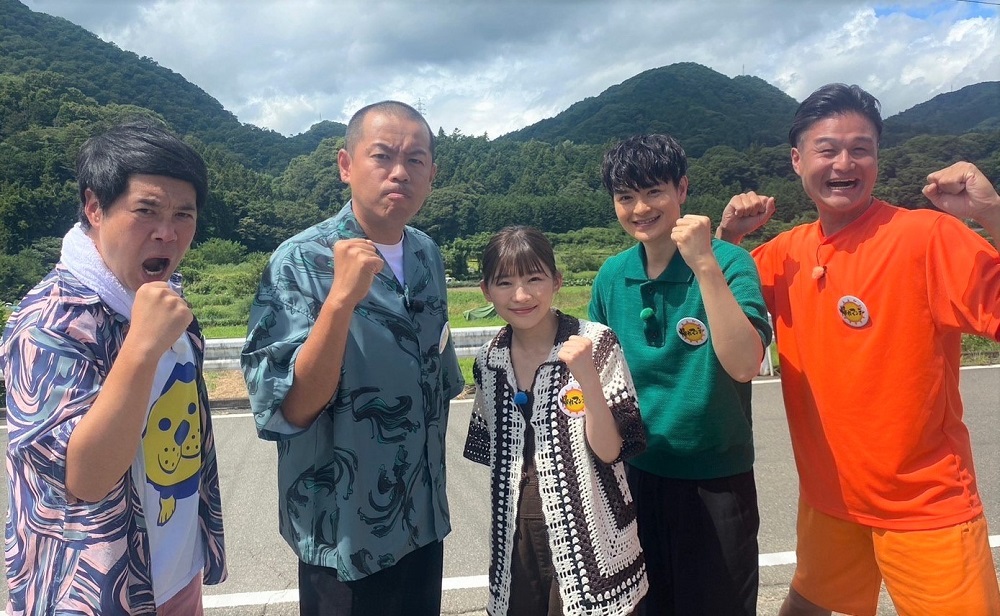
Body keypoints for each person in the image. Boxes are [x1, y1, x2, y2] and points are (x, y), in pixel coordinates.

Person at [717, 83, 1000, 616]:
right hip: (829, 499)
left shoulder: (928, 236)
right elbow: (715, 315)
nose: (844, 163)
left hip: (925, 504)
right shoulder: (784, 255)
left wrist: (992, 214)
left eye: (860, 149)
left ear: (877, 157)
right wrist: (728, 241)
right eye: (827, 149)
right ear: (797, 160)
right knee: (806, 606)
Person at [241, 101, 464, 616]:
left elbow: (437, 378)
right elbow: (290, 408)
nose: (400, 172)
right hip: (342, 534)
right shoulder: (300, 260)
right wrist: (339, 301)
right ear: (346, 165)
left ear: (432, 174)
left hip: (422, 518)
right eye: (382, 156)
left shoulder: (426, 254)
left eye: (416, 160)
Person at [1, 120, 227, 615]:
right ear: (94, 207)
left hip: (175, 574)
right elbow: (86, 478)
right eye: (146, 211)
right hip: (95, 593)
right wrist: (141, 347)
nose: (167, 232)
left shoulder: (163, 302)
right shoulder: (49, 322)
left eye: (183, 215)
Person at [590, 134, 772, 615]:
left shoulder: (729, 262)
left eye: (654, 191)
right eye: (625, 196)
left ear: (683, 189)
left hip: (717, 478)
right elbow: (599, 378)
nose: (640, 208)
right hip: (636, 476)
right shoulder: (611, 276)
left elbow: (744, 364)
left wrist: (704, 263)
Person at [463, 226, 649, 616]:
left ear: (556, 281)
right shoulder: (488, 360)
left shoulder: (596, 342)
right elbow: (494, 453)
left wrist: (587, 380)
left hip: (592, 534)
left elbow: (612, 450)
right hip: (517, 536)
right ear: (486, 291)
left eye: (534, 278)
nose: (521, 295)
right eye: (505, 282)